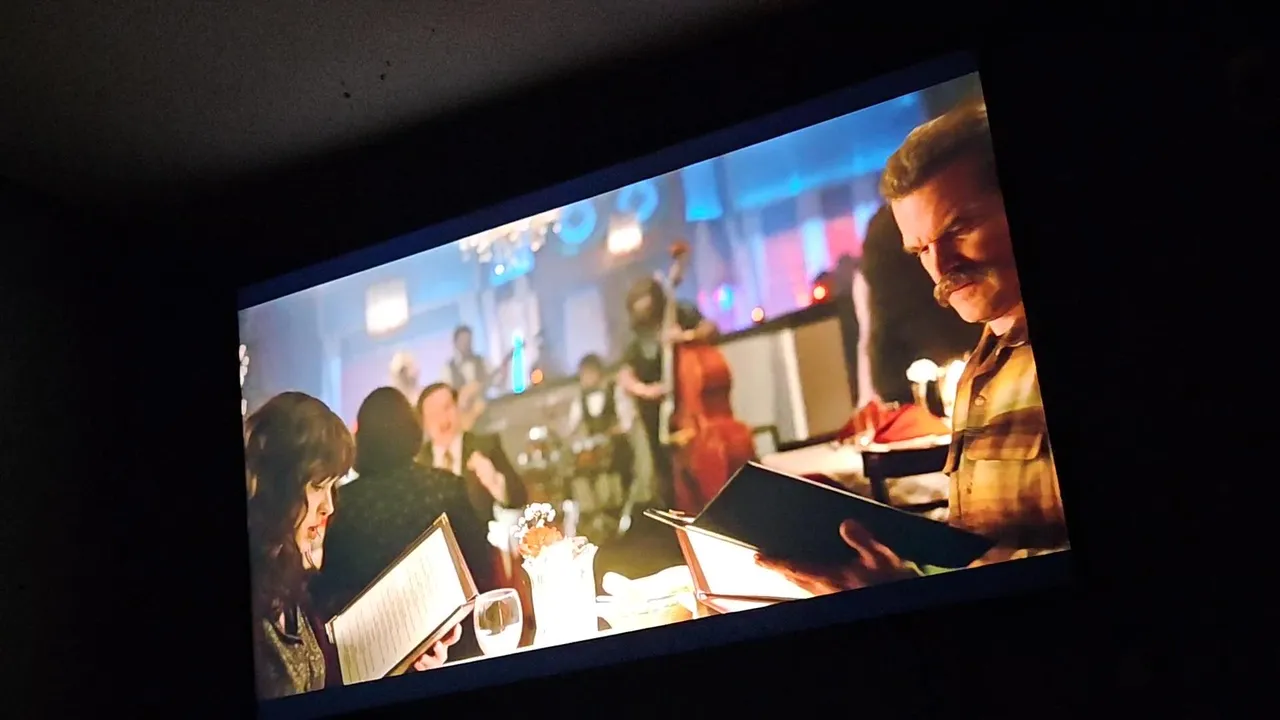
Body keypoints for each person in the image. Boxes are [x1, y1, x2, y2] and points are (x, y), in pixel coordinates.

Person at [759, 100, 1068, 592]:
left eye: (959, 229)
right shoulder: (984, 361)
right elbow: (985, 543)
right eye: (921, 249)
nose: (941, 267)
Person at [245, 392, 460, 700]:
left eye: (332, 486)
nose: (329, 506)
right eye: (318, 486)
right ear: (278, 485)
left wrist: (409, 663)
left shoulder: (291, 581)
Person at [858, 204, 980, 408]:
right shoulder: (889, 228)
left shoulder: (884, 228)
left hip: (913, 376)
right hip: (956, 361)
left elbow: (881, 321)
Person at [615, 275, 717, 505]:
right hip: (656, 413)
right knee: (664, 472)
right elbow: (625, 375)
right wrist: (646, 391)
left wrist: (685, 336)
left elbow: (711, 329)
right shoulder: (634, 333)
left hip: (690, 402)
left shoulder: (679, 312)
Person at [416, 382, 528, 525]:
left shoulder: (486, 446)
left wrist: (495, 482)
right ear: (423, 422)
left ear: (457, 408)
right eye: (434, 414)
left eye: (447, 408)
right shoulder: (418, 463)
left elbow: (519, 498)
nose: (443, 419)